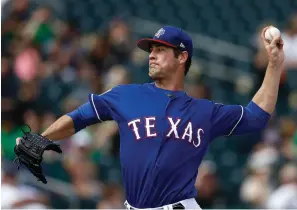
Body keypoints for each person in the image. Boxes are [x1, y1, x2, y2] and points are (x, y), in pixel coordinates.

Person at [16, 25, 284, 209]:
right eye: (150, 50)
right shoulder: (124, 96)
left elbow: (256, 116)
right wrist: (42, 137)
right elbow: (77, 118)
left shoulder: (205, 111)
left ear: (182, 57)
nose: (152, 55)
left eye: (161, 49)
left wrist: (273, 65)